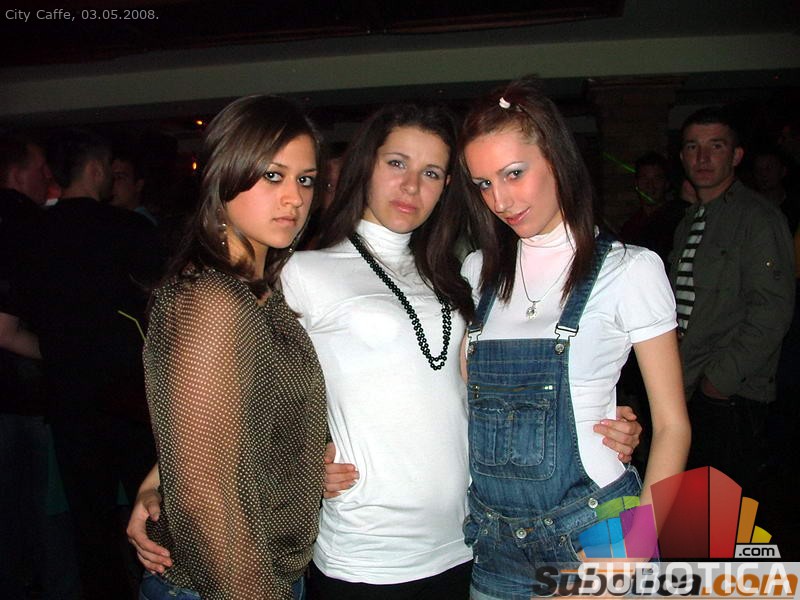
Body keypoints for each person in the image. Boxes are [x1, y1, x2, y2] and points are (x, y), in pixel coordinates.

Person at [128, 103, 643, 600]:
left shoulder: (462, 275)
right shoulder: (300, 273)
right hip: (365, 550)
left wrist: (589, 418)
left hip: (475, 537)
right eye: (397, 163)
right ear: (365, 167)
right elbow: (210, 396)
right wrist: (163, 481)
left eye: (432, 173)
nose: (411, 186)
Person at [458, 76, 690, 599]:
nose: (500, 199)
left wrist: (631, 550)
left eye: (514, 173)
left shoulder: (629, 269)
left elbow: (674, 426)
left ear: (557, 160)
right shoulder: (477, 272)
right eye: (484, 183)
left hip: (593, 536)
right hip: (494, 544)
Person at [137, 95, 328, 600]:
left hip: (266, 569)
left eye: (305, 180)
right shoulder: (212, 300)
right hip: (230, 582)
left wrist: (155, 480)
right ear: (225, 174)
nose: (294, 198)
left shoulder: (257, 291)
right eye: (272, 176)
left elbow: (214, 427)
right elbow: (208, 494)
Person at [670, 107, 795, 494]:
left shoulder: (758, 218)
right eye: (693, 147)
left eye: (716, 146)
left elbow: (772, 310)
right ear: (683, 156)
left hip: (728, 393)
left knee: (719, 513)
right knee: (693, 511)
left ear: (736, 156)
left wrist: (718, 381)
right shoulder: (691, 220)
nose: (703, 157)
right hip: (689, 383)